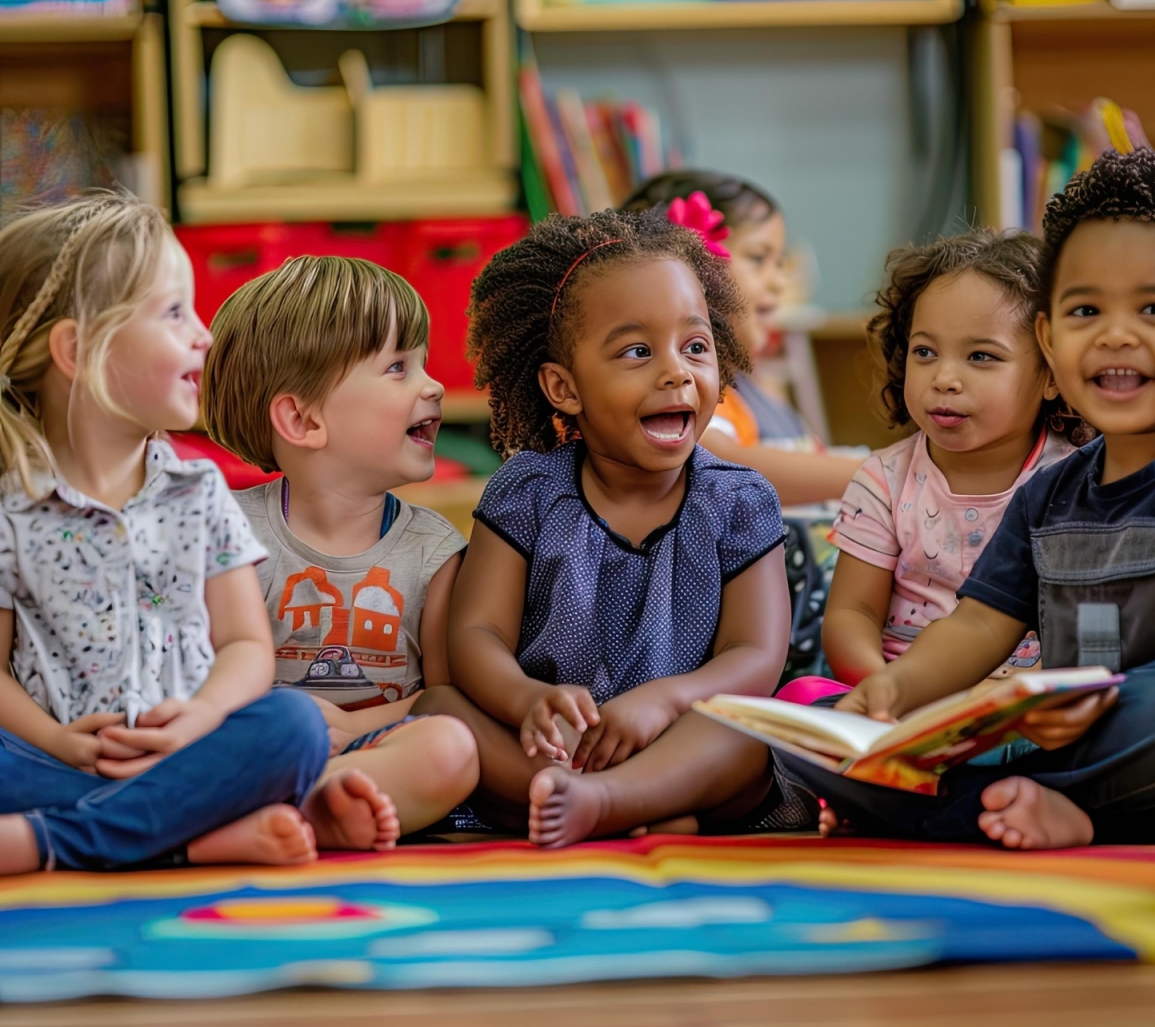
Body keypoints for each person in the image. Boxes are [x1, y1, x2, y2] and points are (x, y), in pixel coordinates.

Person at [775, 148, 1155, 850]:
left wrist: (1097, 706)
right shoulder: (1049, 493)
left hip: (1146, 727)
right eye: (1086, 309)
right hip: (1039, 740)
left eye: (1154, 308)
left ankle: (1060, 814)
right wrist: (895, 693)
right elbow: (976, 629)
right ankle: (1040, 812)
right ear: (1052, 347)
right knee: (804, 735)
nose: (1115, 334)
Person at [0, 195, 398, 875]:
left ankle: (53, 844)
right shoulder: (11, 510)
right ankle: (187, 839)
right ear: (78, 349)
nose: (204, 335)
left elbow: (246, 646)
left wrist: (198, 720)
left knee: (294, 727)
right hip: (59, 758)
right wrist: (61, 743)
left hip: (190, 755)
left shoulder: (199, 494)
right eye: (174, 312)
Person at [410, 208, 792, 847]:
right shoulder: (529, 491)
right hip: (552, 744)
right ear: (564, 387)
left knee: (752, 730)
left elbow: (755, 654)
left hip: (682, 734)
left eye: (695, 347)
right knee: (439, 711)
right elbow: (476, 632)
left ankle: (605, 803)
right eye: (637, 352)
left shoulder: (739, 499)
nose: (676, 372)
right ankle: (625, 806)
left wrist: (665, 701)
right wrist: (525, 700)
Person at [204, 255, 479, 840]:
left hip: (376, 751)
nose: (432, 385)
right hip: (259, 749)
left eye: (424, 362)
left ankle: (309, 810)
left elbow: (448, 697)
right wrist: (291, 728)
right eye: (398, 367)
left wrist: (352, 731)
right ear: (302, 420)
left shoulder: (436, 552)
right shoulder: (227, 535)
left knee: (450, 747)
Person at [815, 229, 1081, 698]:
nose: (944, 378)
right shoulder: (884, 480)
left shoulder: (1076, 479)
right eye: (925, 352)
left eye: (980, 356)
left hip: (1023, 704)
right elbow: (851, 614)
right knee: (801, 701)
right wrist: (885, 690)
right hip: (896, 692)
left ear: (1052, 374)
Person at [623, 170, 863, 504]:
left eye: (779, 262)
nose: (778, 282)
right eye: (758, 258)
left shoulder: (738, 390)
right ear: (692, 269)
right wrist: (878, 474)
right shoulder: (679, 387)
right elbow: (721, 465)